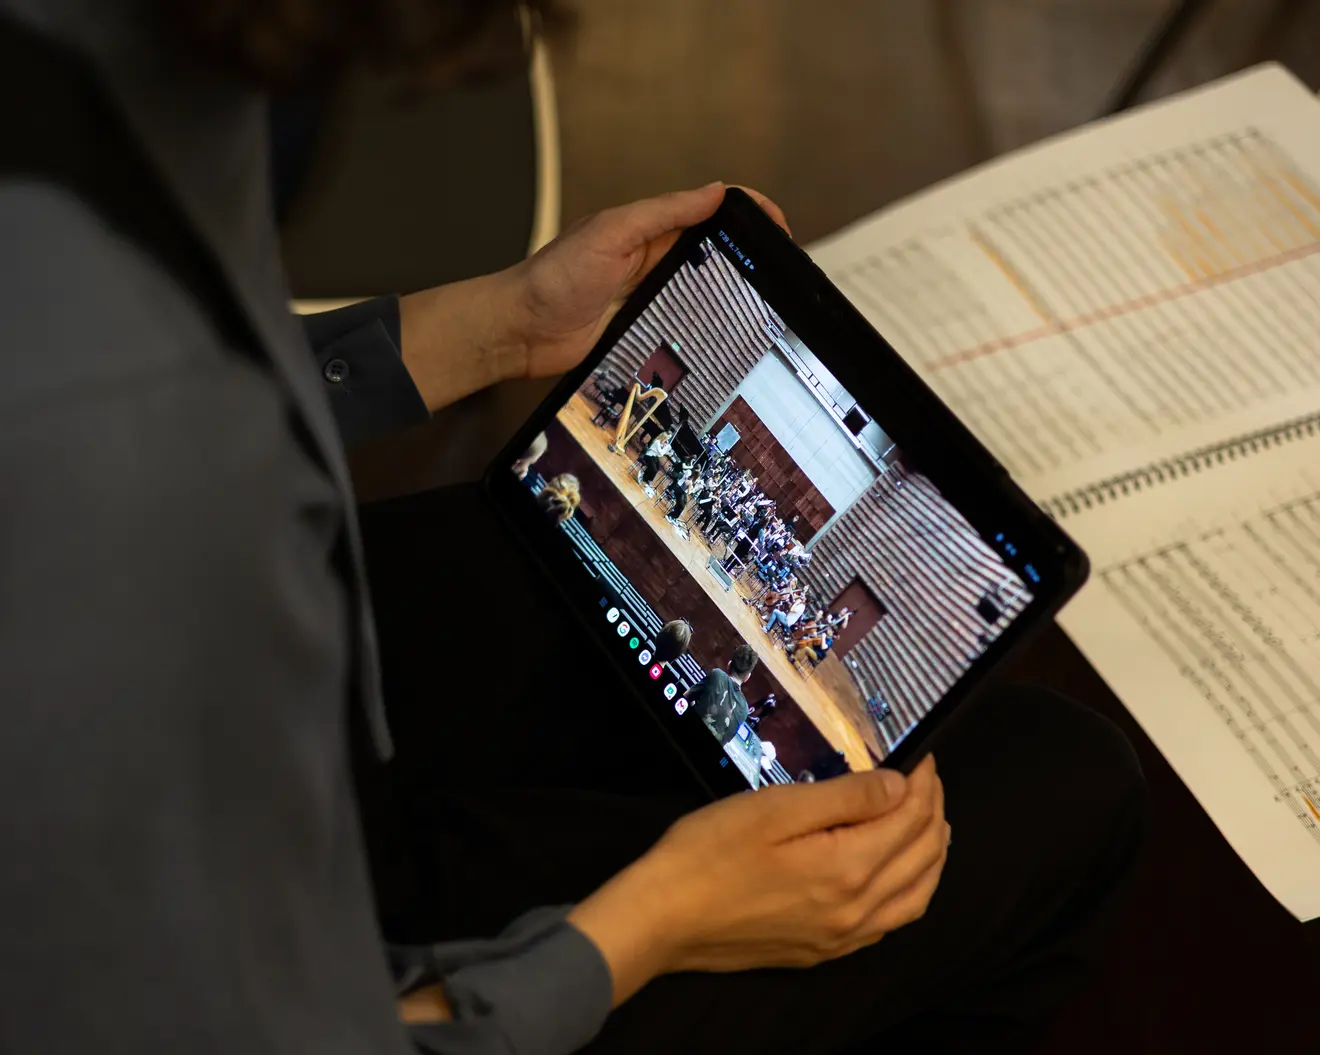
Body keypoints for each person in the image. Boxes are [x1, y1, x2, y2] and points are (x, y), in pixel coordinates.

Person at [0, 4, 1148, 1054]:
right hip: (316, 952)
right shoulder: (115, 450)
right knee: (1064, 786)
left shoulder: (110, 98)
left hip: (242, 703)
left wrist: (498, 328)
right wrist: (663, 918)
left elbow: (208, 384)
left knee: (545, 545)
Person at [687, 644, 758, 745]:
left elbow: (686, 697)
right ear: (747, 677)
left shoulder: (717, 675)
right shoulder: (744, 710)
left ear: (729, 664)